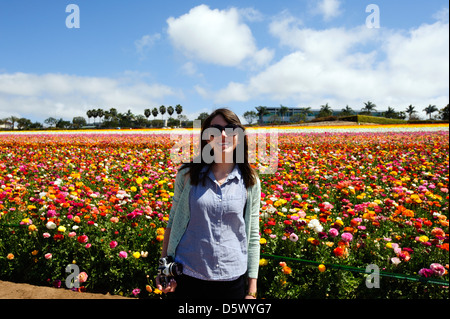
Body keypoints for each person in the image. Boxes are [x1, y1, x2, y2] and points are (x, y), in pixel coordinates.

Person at [156, 108, 261, 299]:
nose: (222, 135)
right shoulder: (187, 175)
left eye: (230, 129)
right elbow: (172, 223)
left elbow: (252, 235)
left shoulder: (250, 180)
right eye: (215, 129)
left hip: (231, 280)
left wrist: (252, 292)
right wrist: (164, 270)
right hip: (187, 276)